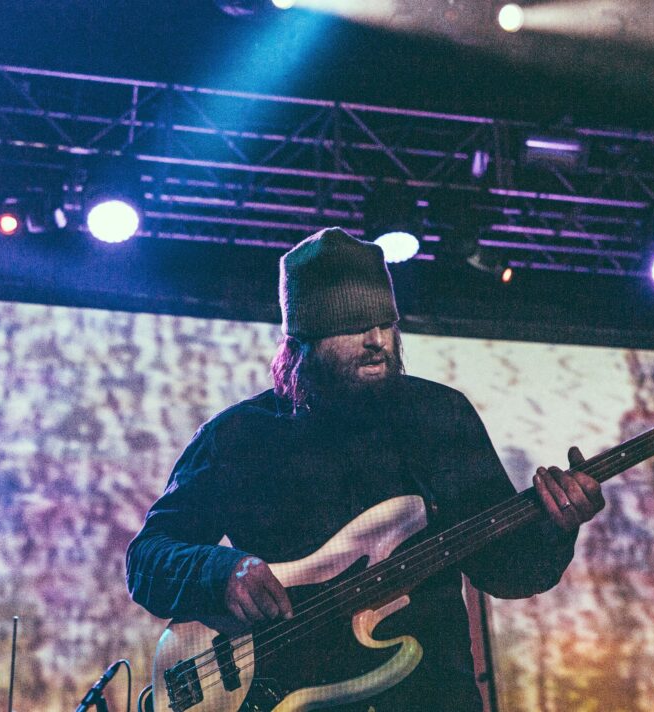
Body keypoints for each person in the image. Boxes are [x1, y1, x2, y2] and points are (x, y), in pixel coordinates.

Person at [126, 227, 605, 711]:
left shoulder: (440, 417)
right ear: (303, 339)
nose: (377, 340)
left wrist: (554, 528)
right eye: (352, 324)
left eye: (385, 323)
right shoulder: (238, 437)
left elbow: (506, 572)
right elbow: (147, 558)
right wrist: (220, 571)